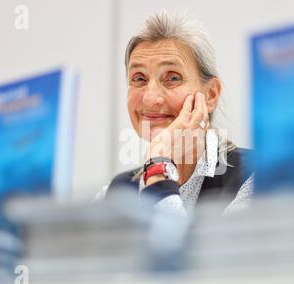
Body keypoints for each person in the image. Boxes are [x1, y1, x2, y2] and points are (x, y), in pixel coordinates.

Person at [98, 10, 254, 215]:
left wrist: (158, 170)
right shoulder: (114, 192)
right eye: (139, 78)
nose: (150, 99)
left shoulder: (254, 178)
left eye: (172, 78)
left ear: (210, 95)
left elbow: (174, 246)